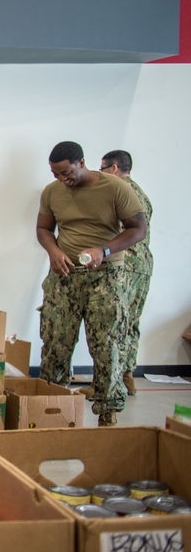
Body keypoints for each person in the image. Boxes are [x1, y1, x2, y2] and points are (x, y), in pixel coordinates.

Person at [36, 141, 146, 426]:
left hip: (105, 278)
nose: (62, 179)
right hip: (64, 276)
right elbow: (44, 229)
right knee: (55, 344)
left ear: (81, 162)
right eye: (55, 174)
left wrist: (104, 250)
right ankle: (52, 410)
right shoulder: (52, 192)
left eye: (66, 172)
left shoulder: (116, 188)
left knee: (105, 347)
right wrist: (54, 251)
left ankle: (107, 414)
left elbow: (138, 229)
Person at [100, 150, 152, 397]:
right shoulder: (142, 193)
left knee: (114, 323)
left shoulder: (119, 192)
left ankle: (111, 383)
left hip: (124, 266)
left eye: (102, 169)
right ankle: (127, 376)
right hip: (142, 267)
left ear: (113, 169)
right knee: (130, 322)